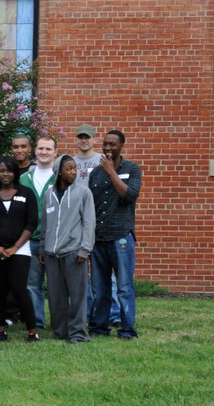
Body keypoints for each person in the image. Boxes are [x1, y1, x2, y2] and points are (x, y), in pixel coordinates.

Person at [0, 156, 40, 342]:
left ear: (15, 173)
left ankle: (32, 331)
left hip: (20, 250)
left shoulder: (27, 194)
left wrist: (14, 247)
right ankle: (1, 329)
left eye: (9, 170)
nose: (5, 174)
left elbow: (31, 224)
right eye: (2, 171)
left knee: (19, 289)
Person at [89, 130, 142, 340]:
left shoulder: (132, 169)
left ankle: (127, 329)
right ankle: (100, 326)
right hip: (98, 239)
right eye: (105, 144)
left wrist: (111, 172)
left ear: (122, 145)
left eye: (113, 144)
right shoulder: (95, 173)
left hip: (121, 237)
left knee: (123, 287)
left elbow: (129, 196)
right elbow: (91, 205)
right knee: (100, 288)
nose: (108, 148)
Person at [41, 155, 95, 343]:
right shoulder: (49, 194)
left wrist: (85, 249)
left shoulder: (83, 192)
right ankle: (60, 331)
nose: (73, 172)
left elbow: (89, 223)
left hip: (74, 252)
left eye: (74, 168)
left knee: (78, 297)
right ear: (58, 171)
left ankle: (78, 333)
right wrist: (42, 247)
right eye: (68, 169)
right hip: (51, 254)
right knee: (56, 297)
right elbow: (46, 224)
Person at [74, 124, 121, 327]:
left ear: (93, 140)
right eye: (80, 137)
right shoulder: (70, 162)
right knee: (83, 272)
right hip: (77, 223)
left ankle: (114, 313)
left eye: (87, 137)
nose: (84, 141)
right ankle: (88, 313)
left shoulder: (102, 161)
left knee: (104, 273)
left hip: (99, 222)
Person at [20, 135, 57, 330]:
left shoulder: (60, 178)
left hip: (54, 241)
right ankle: (37, 322)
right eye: (41, 148)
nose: (44, 152)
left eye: (48, 149)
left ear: (55, 153)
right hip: (30, 239)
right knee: (33, 284)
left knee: (56, 285)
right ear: (35, 151)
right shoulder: (24, 178)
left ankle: (58, 321)